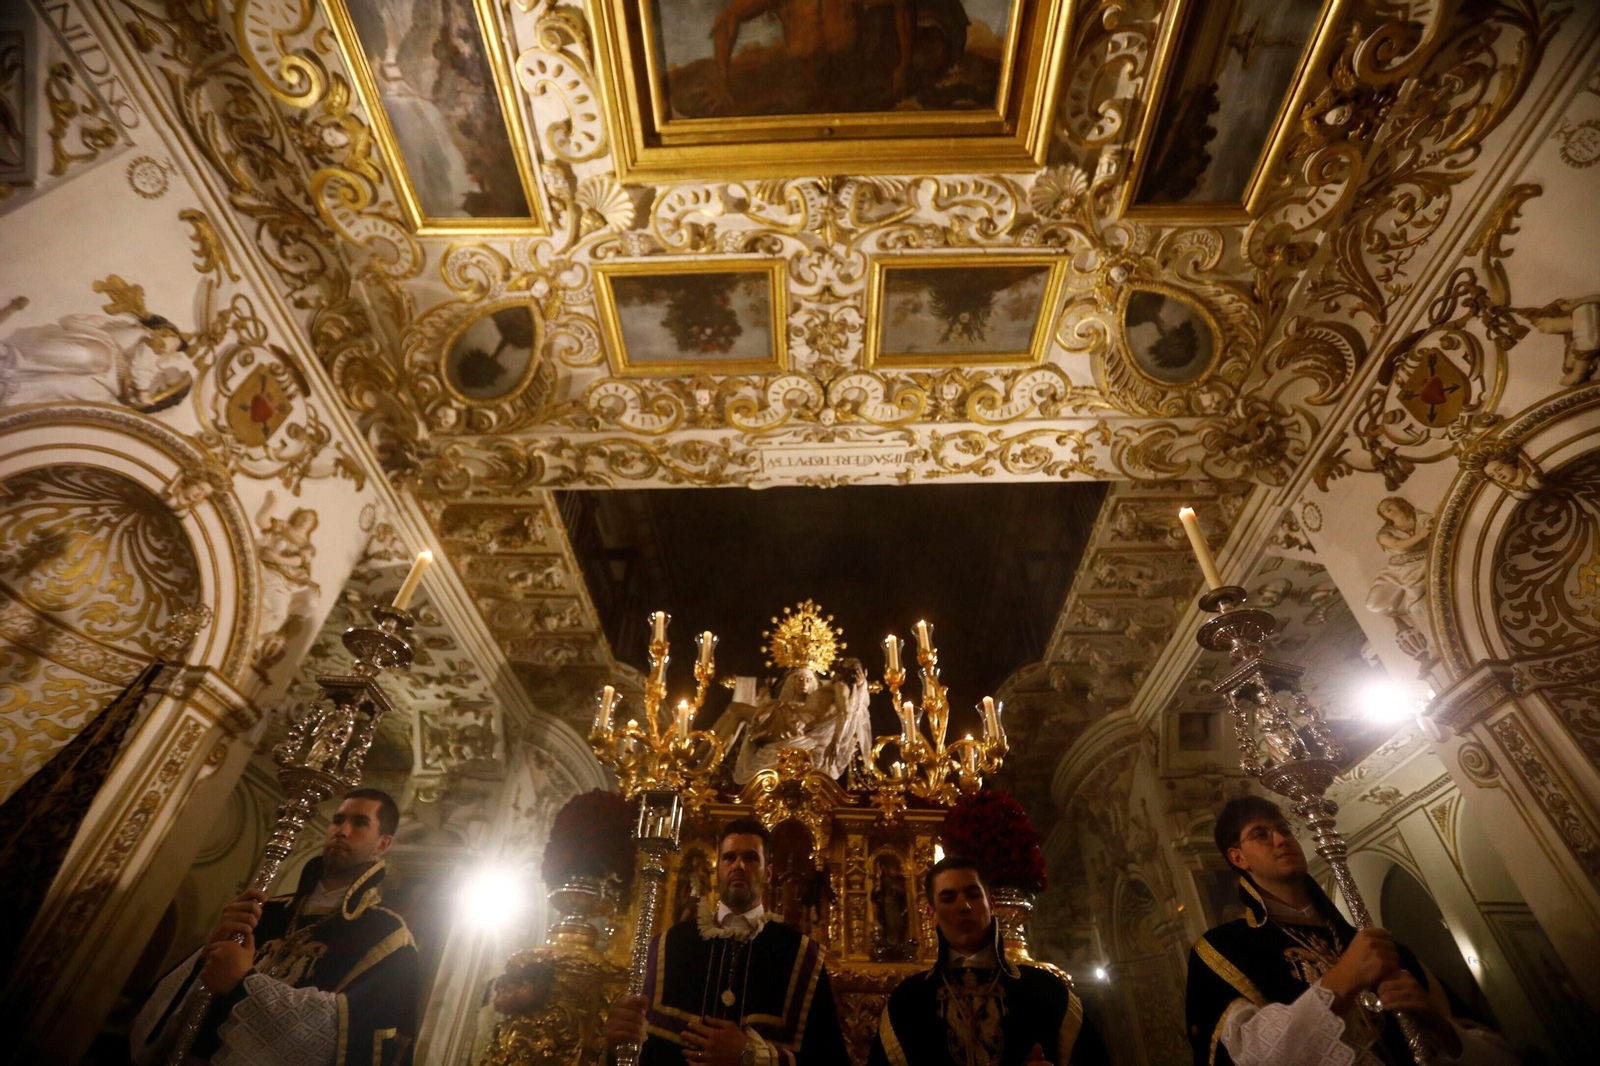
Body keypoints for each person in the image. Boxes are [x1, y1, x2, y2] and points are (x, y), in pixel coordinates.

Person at [1186, 795, 1517, 1066]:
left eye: (1284, 828)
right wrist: (1343, 979)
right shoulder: (1224, 951)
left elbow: (1497, 1055)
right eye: (1261, 834)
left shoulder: (1371, 943)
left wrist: (1438, 1025)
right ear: (1238, 858)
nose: (1281, 839)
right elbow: (1249, 1057)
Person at [131, 788, 420, 1065]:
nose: (342, 831)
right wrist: (208, 953)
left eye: (359, 823)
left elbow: (344, 1030)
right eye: (337, 820)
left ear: (383, 844)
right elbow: (190, 996)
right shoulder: (264, 911)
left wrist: (244, 983)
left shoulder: (387, 936)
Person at [605, 817, 848, 1066]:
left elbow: (830, 1058)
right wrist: (619, 1042)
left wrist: (751, 1057)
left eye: (751, 858)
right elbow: (640, 1050)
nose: (738, 866)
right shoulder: (670, 946)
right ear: (717, 869)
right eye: (729, 857)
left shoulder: (802, 956)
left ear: (769, 873)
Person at [870, 856, 1109, 1066]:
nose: (964, 906)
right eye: (948, 898)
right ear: (931, 914)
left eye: (973, 895)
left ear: (991, 905)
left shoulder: (1046, 991)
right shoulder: (909, 1002)